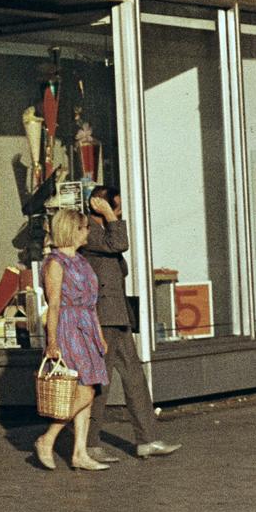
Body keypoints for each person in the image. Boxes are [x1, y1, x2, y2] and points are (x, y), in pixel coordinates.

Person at [82, 186, 180, 461]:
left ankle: (147, 438)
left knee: (134, 378)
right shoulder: (88, 230)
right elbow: (119, 244)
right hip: (103, 316)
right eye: (117, 207)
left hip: (118, 314)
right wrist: (109, 217)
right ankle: (89, 442)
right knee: (101, 380)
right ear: (101, 205)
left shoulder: (102, 232)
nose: (120, 213)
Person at [34, 208, 109, 471]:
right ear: (72, 230)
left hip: (87, 327)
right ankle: (48, 438)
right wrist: (52, 341)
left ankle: (79, 453)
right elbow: (53, 305)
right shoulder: (55, 263)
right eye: (85, 227)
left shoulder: (81, 261)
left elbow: (92, 302)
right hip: (69, 327)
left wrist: (98, 333)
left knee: (88, 389)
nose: (88, 231)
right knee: (85, 390)